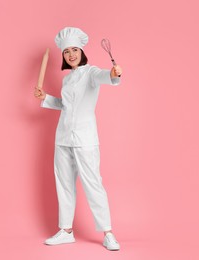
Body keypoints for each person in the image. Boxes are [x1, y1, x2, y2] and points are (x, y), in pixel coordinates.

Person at [34, 27, 122, 251]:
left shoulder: (91, 73)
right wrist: (46, 98)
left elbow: (105, 76)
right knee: (64, 185)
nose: (70, 54)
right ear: (63, 56)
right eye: (66, 52)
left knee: (93, 184)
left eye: (74, 50)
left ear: (81, 52)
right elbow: (65, 106)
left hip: (85, 138)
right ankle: (66, 230)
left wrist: (114, 73)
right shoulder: (67, 80)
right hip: (62, 138)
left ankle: (108, 232)